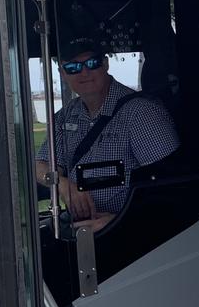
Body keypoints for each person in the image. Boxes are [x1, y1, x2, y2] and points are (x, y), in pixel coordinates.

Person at [35, 35, 179, 229]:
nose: (84, 72)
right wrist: (61, 183)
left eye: (92, 63)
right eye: (73, 68)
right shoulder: (65, 117)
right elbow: (41, 165)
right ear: (62, 73)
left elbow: (172, 187)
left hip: (134, 233)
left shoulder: (141, 114)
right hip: (81, 229)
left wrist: (117, 221)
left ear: (105, 64)